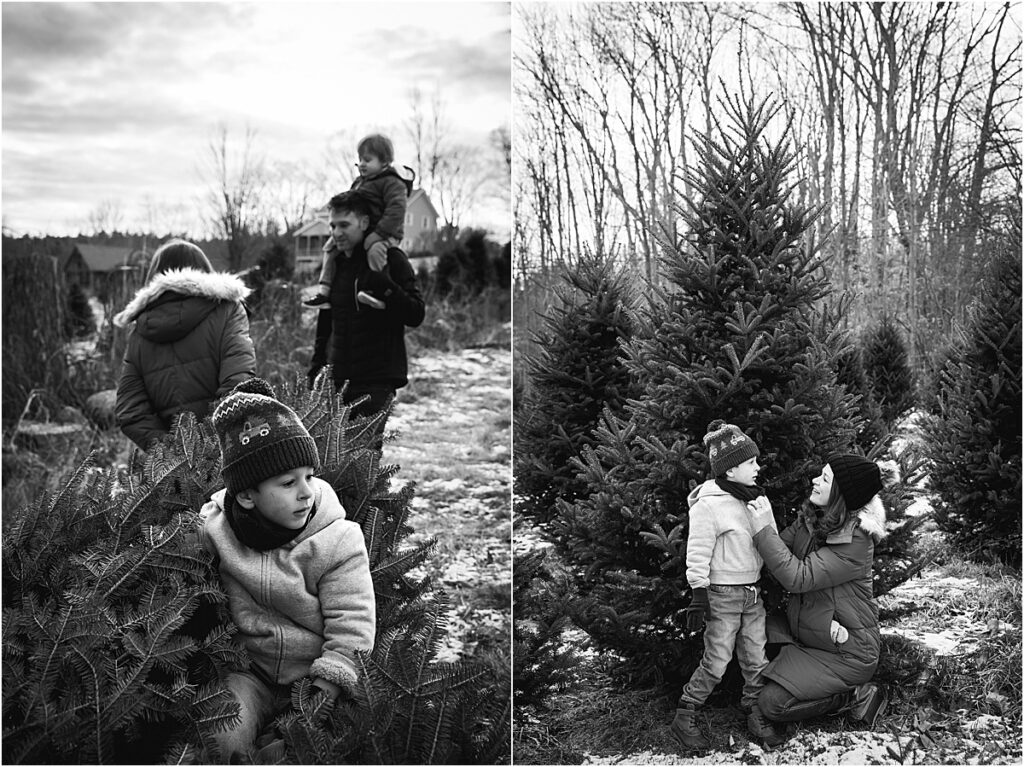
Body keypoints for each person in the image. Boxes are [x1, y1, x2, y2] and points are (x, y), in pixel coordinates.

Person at [199, 378, 376, 762]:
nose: (306, 492)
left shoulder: (337, 540)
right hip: (249, 677)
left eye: (309, 476)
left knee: (296, 752)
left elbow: (353, 621)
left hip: (313, 682)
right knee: (221, 739)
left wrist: (325, 690)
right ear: (246, 496)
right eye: (287, 483)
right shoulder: (217, 529)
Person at [744, 453, 891, 735]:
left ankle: (855, 696)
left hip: (847, 653)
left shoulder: (856, 541)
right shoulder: (812, 520)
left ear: (840, 493)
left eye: (824, 478)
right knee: (747, 629)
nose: (814, 480)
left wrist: (764, 526)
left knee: (772, 704)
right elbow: (777, 550)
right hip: (812, 634)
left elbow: (797, 577)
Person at [670, 421, 786, 749]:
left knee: (755, 657)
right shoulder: (710, 504)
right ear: (732, 469)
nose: (758, 467)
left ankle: (755, 712)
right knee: (718, 660)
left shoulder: (757, 499)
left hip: (753, 594)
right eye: (751, 462)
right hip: (722, 596)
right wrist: (698, 592)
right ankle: (686, 715)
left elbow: (770, 541)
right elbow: (698, 549)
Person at [114, 239, 256, 451]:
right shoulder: (228, 310)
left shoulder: (141, 329)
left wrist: (174, 455)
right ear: (205, 270)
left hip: (172, 472)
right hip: (226, 455)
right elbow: (239, 383)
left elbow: (130, 412)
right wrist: (210, 445)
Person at [307, 190, 425, 418]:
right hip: (336, 381)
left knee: (365, 452)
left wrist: (384, 284)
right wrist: (315, 372)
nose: (336, 233)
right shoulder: (336, 266)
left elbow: (416, 313)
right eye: (332, 226)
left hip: (376, 381)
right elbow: (325, 325)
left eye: (344, 225)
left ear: (364, 222)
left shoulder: (391, 260)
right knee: (334, 454)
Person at [304, 133, 413, 309]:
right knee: (330, 247)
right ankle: (324, 291)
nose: (362, 164)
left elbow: (396, 211)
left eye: (367, 160)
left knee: (375, 251)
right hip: (365, 230)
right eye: (360, 159)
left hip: (386, 233)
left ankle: (378, 290)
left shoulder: (392, 183)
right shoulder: (359, 182)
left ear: (384, 161)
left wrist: (378, 234)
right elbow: (350, 204)